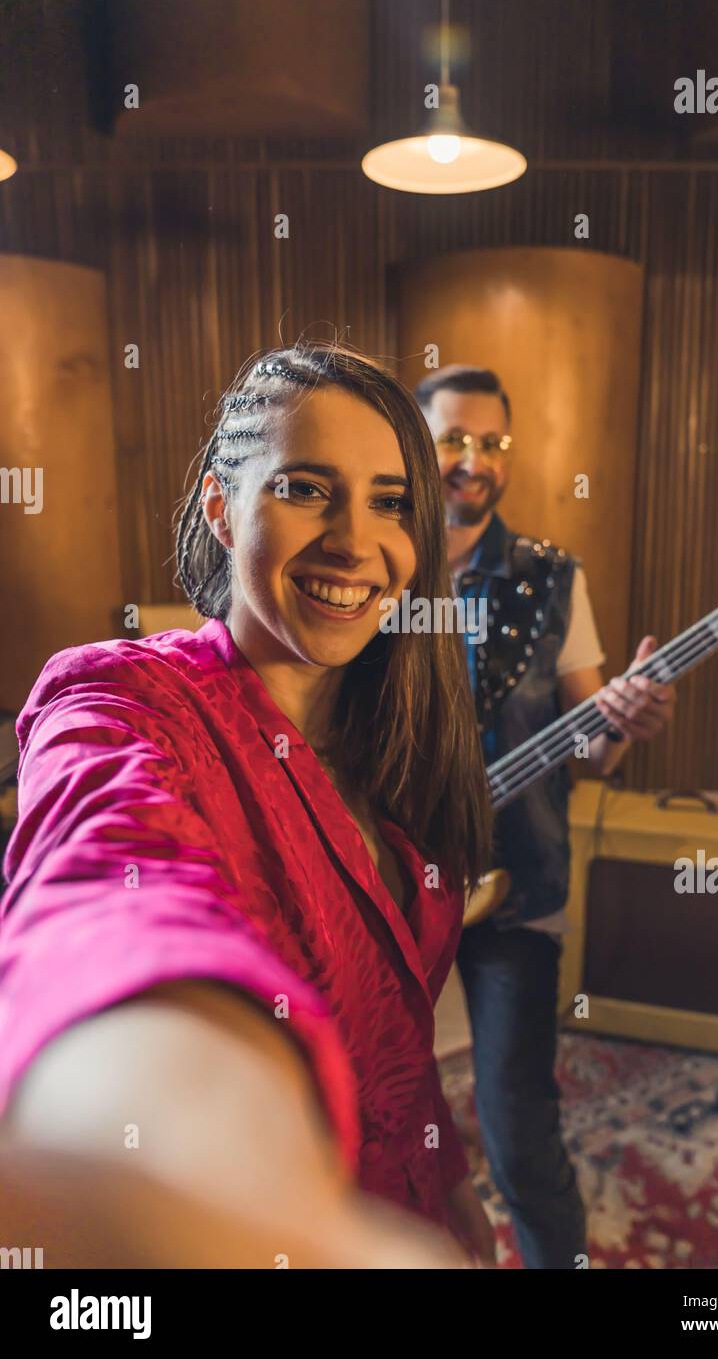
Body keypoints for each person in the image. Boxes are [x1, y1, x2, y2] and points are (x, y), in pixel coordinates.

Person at [0, 342, 495, 1267]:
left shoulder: (402, 738)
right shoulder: (124, 700)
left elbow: (402, 1029)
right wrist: (160, 1165)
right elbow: (110, 885)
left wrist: (454, 1181)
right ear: (222, 510)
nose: (356, 540)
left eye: (390, 503)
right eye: (307, 489)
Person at [416, 364, 677, 1270]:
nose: (473, 460)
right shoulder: (374, 569)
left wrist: (625, 726)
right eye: (454, 438)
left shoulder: (553, 579)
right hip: (383, 883)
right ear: (418, 445)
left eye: (492, 442)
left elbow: (588, 746)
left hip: (515, 885)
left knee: (521, 1134)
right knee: (372, 1120)